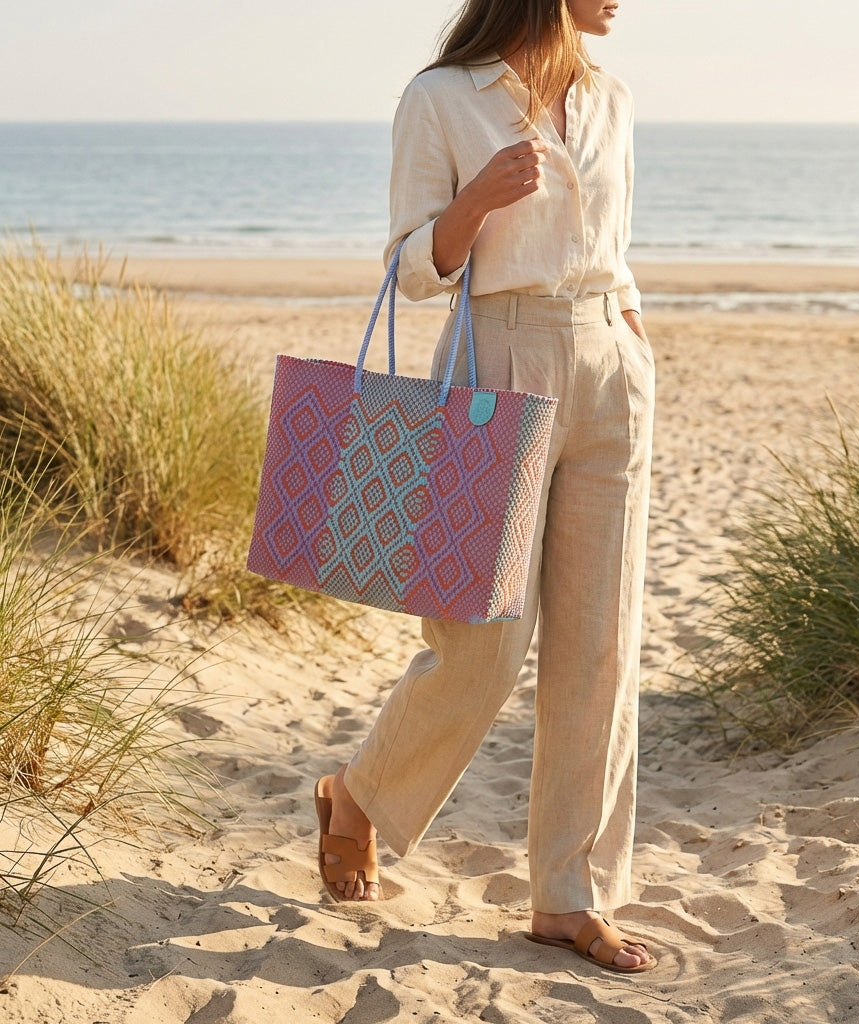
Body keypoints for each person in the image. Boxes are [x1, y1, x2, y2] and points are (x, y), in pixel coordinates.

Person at [314, 0, 656, 974]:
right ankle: (359, 795)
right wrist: (476, 206)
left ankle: (569, 897)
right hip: (493, 358)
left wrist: (628, 324)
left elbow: (613, 242)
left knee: (600, 646)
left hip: (607, 364)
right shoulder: (441, 99)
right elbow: (409, 268)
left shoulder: (612, 99)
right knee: (482, 642)